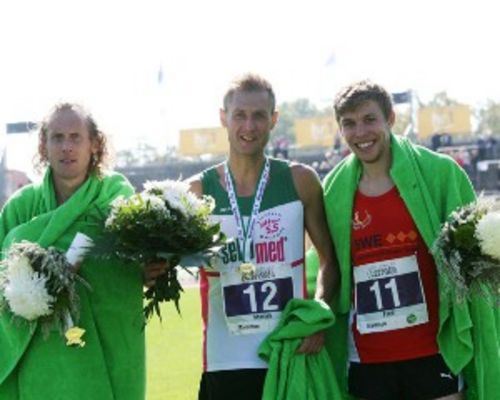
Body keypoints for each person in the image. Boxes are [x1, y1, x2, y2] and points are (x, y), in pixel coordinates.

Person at [315, 80, 500, 399]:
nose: (360, 133)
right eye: (349, 124)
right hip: (368, 357)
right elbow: (326, 264)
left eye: (369, 119)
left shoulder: (440, 174)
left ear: (390, 119)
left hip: (433, 350)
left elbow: (477, 256)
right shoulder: (333, 190)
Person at [187, 73, 340, 399]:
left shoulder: (301, 181)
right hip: (223, 361)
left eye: (259, 116)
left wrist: (317, 313)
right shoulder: (197, 192)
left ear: (274, 120)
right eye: (239, 115)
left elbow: (329, 260)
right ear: (223, 118)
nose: (249, 126)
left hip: (288, 351)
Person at [0, 103, 145, 399]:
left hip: (108, 347)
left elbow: (135, 262)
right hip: (40, 359)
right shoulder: (20, 207)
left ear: (94, 143)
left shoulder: (117, 195)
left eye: (75, 137)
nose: (67, 146)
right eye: (57, 137)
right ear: (44, 146)